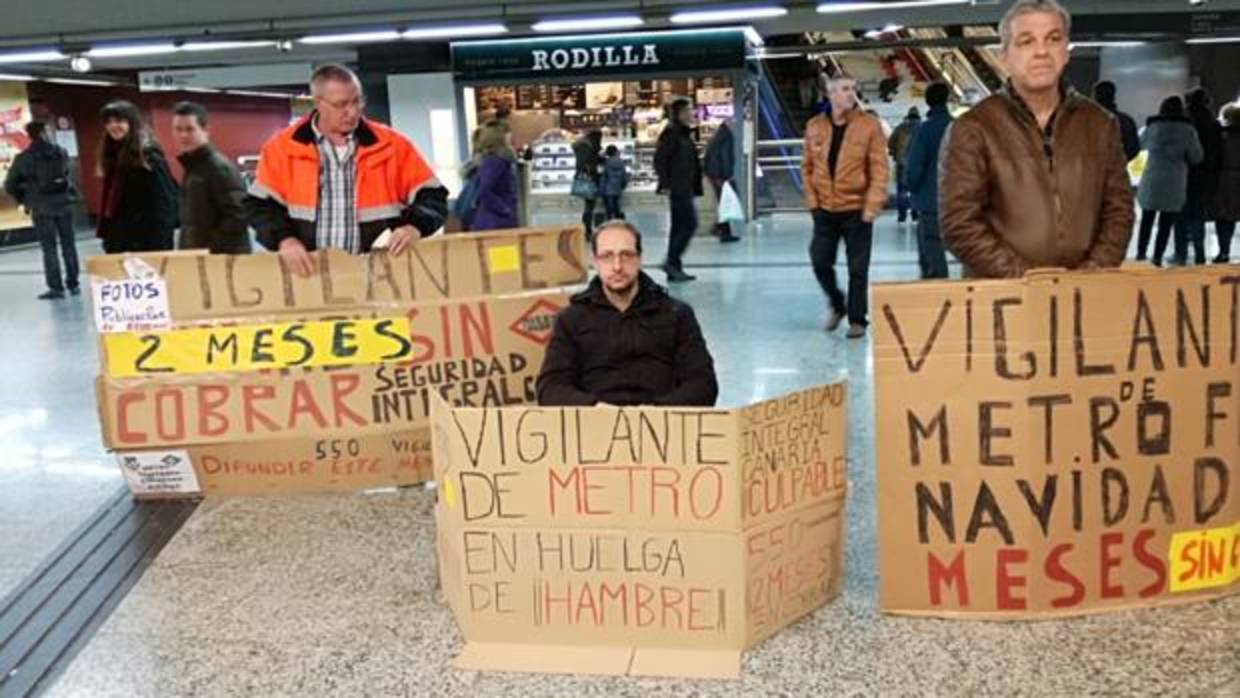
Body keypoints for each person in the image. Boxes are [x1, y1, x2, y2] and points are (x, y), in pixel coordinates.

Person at [939, 0, 1133, 278]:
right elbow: (959, 223)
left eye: (1053, 39)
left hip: (1084, 295)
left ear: (1066, 51)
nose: (1042, 51)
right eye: (1026, 41)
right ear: (1005, 56)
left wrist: (1091, 275)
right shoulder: (974, 128)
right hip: (1004, 299)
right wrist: (1029, 281)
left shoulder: (1100, 123)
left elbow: (1119, 209)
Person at [244, 64, 447, 276]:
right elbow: (259, 206)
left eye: (357, 101)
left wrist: (414, 227)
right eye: (341, 104)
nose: (352, 112)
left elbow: (433, 197)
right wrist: (285, 240)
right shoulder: (282, 149)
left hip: (380, 276)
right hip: (309, 277)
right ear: (318, 103)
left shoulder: (393, 146)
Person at [536, 219, 718, 407]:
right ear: (595, 262)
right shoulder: (571, 319)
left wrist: (658, 411)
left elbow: (703, 384)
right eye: (607, 256)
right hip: (596, 427)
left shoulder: (676, 314)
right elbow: (550, 388)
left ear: (639, 258)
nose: (617, 266)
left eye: (626, 255)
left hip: (662, 426)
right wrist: (593, 408)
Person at [802, 75, 889, 339]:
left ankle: (857, 319)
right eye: (844, 89)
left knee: (857, 269)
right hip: (825, 211)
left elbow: (879, 168)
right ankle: (837, 304)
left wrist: (872, 204)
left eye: (853, 88)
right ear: (830, 94)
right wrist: (813, 204)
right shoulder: (815, 127)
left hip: (857, 209)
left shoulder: (869, 126)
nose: (851, 94)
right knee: (819, 261)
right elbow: (806, 168)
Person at [4, 121, 80, 299]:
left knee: (49, 248)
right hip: (64, 203)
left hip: (40, 207)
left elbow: (10, 185)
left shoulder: (24, 157)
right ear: (44, 131)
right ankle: (74, 284)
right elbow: (66, 174)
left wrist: (24, 197)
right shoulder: (60, 152)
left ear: (30, 135)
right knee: (69, 245)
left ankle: (56, 288)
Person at [95, 100, 179, 253]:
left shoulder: (147, 156)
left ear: (132, 123)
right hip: (121, 238)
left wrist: (160, 246)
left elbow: (164, 202)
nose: (113, 126)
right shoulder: (112, 155)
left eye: (119, 121)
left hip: (146, 241)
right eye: (109, 122)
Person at [170, 102, 251, 254]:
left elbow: (239, 214)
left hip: (220, 259)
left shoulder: (218, 168)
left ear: (205, 130)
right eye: (178, 129)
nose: (183, 135)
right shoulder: (193, 168)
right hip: (200, 256)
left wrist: (211, 248)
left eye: (189, 129)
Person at [1135, 97, 1202, 266]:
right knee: (1166, 222)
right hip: (1175, 180)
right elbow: (1197, 157)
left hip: (1153, 177)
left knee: (1147, 219)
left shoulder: (1152, 127)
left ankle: (1141, 253)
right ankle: (1157, 256)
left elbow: (1138, 145)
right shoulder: (1189, 130)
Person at [902, 82, 952, 279]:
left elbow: (915, 165)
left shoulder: (925, 130)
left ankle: (938, 290)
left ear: (927, 101)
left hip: (930, 201)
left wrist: (910, 186)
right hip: (959, 199)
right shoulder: (959, 126)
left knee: (930, 248)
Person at [655, 98, 704, 283]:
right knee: (690, 224)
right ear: (681, 113)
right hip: (678, 188)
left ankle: (674, 267)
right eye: (689, 110)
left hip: (685, 187)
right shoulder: (672, 133)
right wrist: (666, 183)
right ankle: (670, 261)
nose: (692, 113)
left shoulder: (683, 134)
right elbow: (660, 159)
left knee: (678, 227)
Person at [1178, 88, 1223, 265]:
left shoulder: (1184, 121)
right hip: (1205, 174)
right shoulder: (1214, 124)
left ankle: (1180, 253)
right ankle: (1199, 252)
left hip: (1183, 173)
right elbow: (1219, 152)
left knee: (1180, 215)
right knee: (1198, 214)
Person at [467, 121, 518, 231]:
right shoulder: (496, 161)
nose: (510, 137)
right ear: (499, 138)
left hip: (493, 221)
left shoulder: (491, 160)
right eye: (507, 134)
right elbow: (484, 190)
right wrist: (505, 209)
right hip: (496, 223)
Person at [703, 119, 740, 242]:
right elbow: (725, 157)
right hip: (720, 175)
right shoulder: (727, 137)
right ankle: (724, 232)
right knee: (724, 203)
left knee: (722, 202)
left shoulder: (717, 136)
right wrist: (727, 175)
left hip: (714, 174)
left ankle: (720, 227)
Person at [1214, 103, 1240, 263]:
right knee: (1233, 215)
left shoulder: (1221, 136)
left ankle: (1224, 250)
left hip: (1223, 178)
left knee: (1222, 216)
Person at [887, 106, 921, 224]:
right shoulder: (922, 128)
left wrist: (894, 154)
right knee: (916, 190)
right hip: (917, 164)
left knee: (902, 190)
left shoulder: (900, 128)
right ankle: (915, 215)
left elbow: (890, 143)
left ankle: (902, 216)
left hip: (902, 163)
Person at [1092, 80, 1140, 163]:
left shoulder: (1085, 120)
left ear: (1095, 96)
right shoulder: (1126, 121)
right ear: (1113, 96)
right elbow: (1133, 150)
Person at [572, 129, 603, 239]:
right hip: (590, 180)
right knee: (590, 206)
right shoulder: (588, 147)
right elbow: (587, 163)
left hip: (587, 179)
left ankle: (588, 228)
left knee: (589, 205)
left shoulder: (584, 146)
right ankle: (588, 229)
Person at [599, 144, 628, 221]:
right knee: (617, 208)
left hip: (607, 190)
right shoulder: (621, 162)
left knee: (609, 211)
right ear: (616, 152)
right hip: (617, 188)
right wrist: (623, 185)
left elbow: (604, 178)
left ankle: (610, 225)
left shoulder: (606, 163)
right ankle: (618, 225)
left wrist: (601, 191)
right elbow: (624, 176)